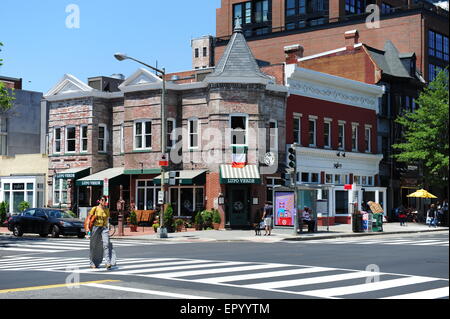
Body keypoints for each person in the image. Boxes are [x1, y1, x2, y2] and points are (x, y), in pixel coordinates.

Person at [89, 196, 116, 270]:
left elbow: (107, 219)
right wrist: (88, 231)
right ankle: (92, 262)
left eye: (105, 200)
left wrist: (108, 225)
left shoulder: (107, 210)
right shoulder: (95, 208)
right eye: (102, 200)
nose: (104, 202)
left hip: (104, 228)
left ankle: (108, 262)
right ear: (100, 201)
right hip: (96, 227)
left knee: (106, 244)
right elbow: (89, 218)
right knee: (94, 245)